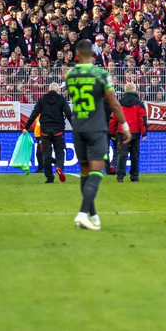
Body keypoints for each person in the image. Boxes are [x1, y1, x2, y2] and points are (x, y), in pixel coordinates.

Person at [65, 39, 131, 230]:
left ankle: (93, 216)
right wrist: (124, 125)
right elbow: (113, 103)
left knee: (85, 173)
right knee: (96, 172)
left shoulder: (70, 75)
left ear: (77, 54)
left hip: (78, 127)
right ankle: (81, 214)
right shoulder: (101, 74)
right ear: (93, 54)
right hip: (96, 127)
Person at [25, 82, 70, 184]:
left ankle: (49, 178)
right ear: (57, 90)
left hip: (45, 131)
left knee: (46, 154)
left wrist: (26, 127)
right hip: (58, 130)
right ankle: (59, 166)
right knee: (60, 151)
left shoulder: (42, 99)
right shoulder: (61, 99)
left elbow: (34, 114)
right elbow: (68, 113)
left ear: (49, 89)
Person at [115, 83, 148, 182]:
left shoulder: (119, 103)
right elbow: (142, 119)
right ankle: (134, 176)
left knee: (122, 154)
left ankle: (120, 176)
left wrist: (112, 132)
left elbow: (113, 118)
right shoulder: (139, 103)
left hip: (122, 132)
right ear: (134, 90)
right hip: (135, 132)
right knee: (134, 155)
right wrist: (144, 133)